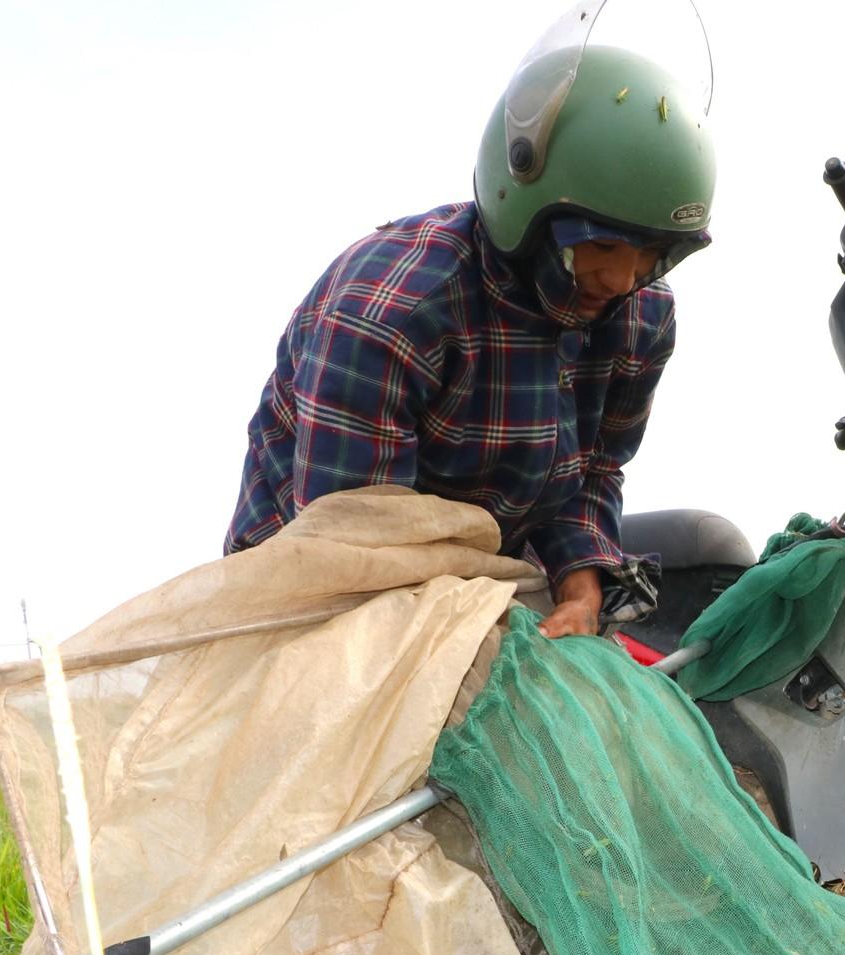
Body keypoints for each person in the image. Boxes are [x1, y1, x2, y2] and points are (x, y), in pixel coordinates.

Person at [225, 42, 715, 637]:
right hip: (313, 597)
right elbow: (352, 557)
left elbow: (593, 471)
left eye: (650, 255)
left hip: (486, 581)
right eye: (603, 245)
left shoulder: (643, 314)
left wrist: (581, 587)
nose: (621, 279)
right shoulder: (391, 316)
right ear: (527, 210)